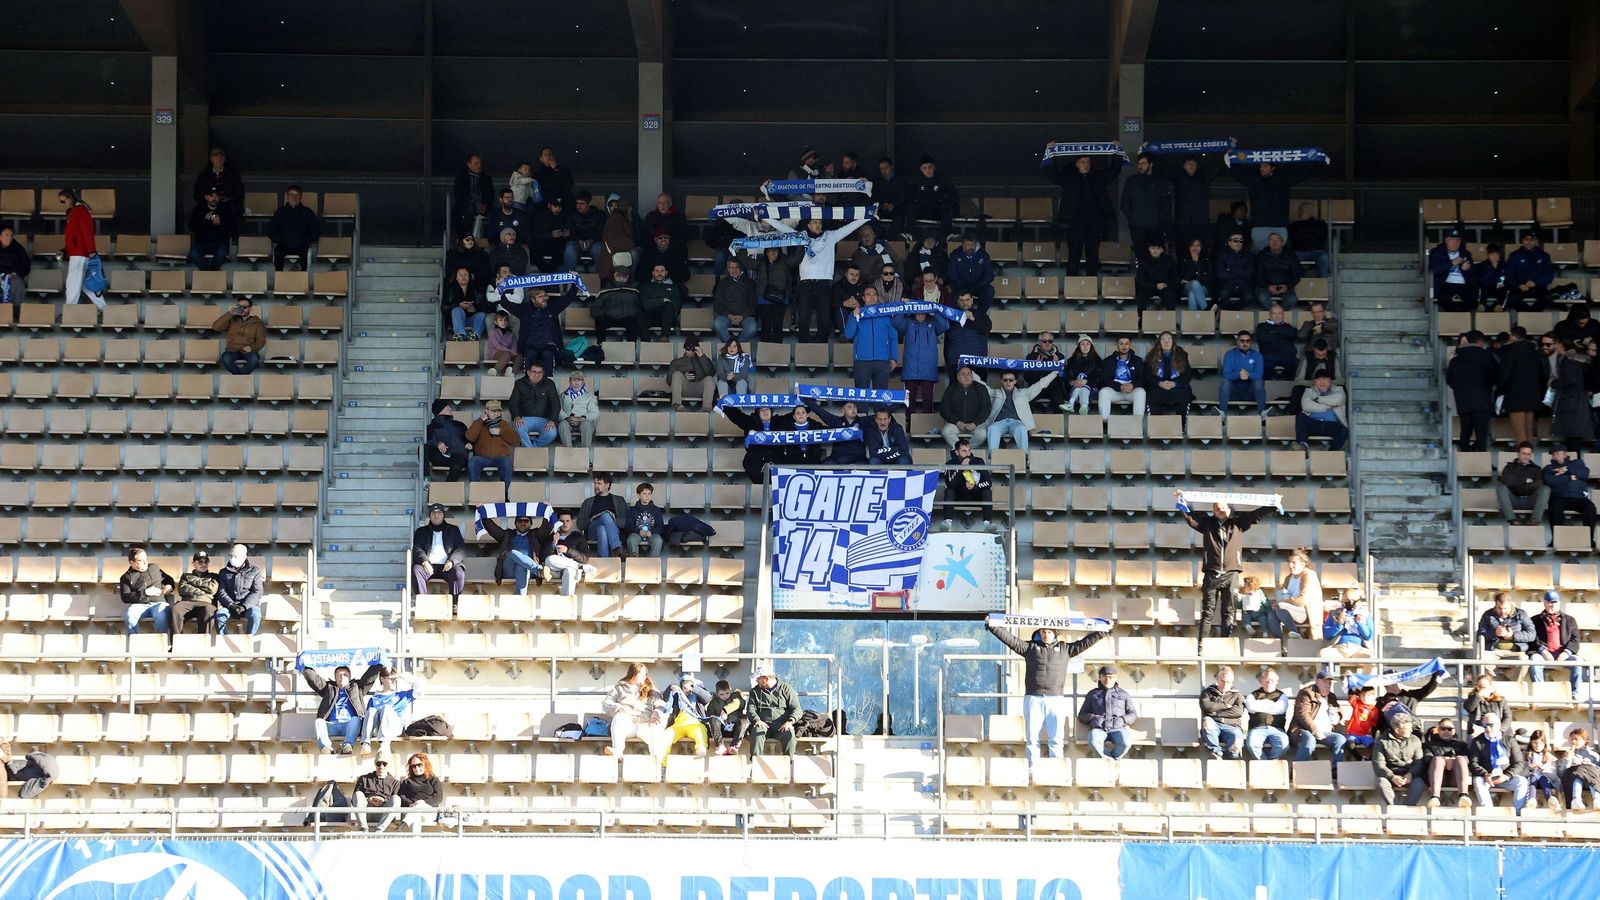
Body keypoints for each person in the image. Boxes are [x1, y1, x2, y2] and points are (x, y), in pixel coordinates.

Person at [985, 615, 1109, 762]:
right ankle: (1032, 770)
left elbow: (1086, 642)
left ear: (1054, 633)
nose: (1045, 635)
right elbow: (1010, 639)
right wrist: (992, 626)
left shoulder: (1066, 649)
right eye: (1043, 631)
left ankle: (1056, 769)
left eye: (1049, 632)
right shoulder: (1030, 648)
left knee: (1056, 739)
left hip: (1056, 699)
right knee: (1032, 739)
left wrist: (1104, 630)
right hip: (1033, 698)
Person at [1174, 491, 1277, 640]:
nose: (1220, 510)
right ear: (1212, 511)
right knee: (1207, 612)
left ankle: (1225, 645)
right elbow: (1190, 516)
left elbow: (1256, 515)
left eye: (1223, 507)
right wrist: (1181, 500)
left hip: (1231, 574)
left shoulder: (1238, 523)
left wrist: (1273, 504)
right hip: (1211, 573)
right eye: (1217, 508)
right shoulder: (1206, 524)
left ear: (1229, 510)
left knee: (1228, 612)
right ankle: (1201, 646)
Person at [768, 216, 871, 342]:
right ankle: (804, 345)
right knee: (804, 316)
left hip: (824, 283)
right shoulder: (801, 237)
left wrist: (867, 217)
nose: (818, 225)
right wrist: (765, 217)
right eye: (815, 222)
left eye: (820, 223)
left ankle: (822, 345)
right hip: (805, 283)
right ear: (808, 225)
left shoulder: (831, 236)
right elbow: (783, 228)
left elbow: (849, 228)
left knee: (824, 317)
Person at [1042, 151, 1120, 275]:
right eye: (1083, 162)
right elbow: (1052, 174)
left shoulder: (1097, 177)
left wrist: (1117, 153)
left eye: (1089, 162)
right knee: (1074, 253)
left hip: (1094, 222)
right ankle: (1072, 286)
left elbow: (1113, 172)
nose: (1086, 165)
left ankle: (1092, 284)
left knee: (1093, 254)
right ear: (1077, 164)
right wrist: (1049, 154)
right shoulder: (1069, 177)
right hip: (1075, 222)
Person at [1230, 159, 1319, 249]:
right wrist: (1232, 157)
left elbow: (1302, 173)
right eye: (1261, 166)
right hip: (1260, 225)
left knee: (1278, 256)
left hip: (1278, 225)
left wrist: (1314, 159)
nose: (1262, 169)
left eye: (1265, 166)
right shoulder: (1254, 178)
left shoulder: (1283, 178)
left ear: (1273, 168)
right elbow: (1238, 174)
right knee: (1261, 258)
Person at [298, 660, 377, 754]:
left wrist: (380, 662)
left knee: (356, 719)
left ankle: (348, 745)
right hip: (332, 725)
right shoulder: (329, 687)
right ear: (335, 677)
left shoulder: (357, 687)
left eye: (345, 675)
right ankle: (326, 748)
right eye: (339, 675)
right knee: (319, 721)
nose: (342, 677)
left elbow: (369, 677)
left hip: (350, 726)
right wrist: (302, 662)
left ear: (349, 677)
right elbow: (314, 679)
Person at [978, 367, 1059, 456]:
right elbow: (981, 385)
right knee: (992, 428)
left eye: (1011, 380)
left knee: (1022, 428)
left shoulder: (1024, 393)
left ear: (1015, 381)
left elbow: (1040, 384)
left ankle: (1024, 457)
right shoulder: (995, 393)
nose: (1008, 382)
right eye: (1005, 380)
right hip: (999, 422)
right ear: (1002, 381)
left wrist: (1055, 372)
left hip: (1016, 422)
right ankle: (993, 457)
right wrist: (969, 371)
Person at [843, 287, 903, 390]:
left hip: (882, 361)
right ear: (863, 298)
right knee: (861, 397)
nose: (872, 297)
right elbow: (849, 334)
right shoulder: (857, 313)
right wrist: (853, 317)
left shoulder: (885, 315)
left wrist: (894, 358)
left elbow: (893, 337)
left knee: (880, 398)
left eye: (874, 294)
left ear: (878, 297)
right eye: (868, 294)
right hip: (862, 361)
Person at [1447, 330, 1498, 451]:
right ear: (1480, 341)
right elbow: (1495, 376)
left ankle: (1464, 457)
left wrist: (1460, 390)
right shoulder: (1486, 356)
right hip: (1482, 401)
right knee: (1481, 433)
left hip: (1463, 401)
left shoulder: (1456, 359)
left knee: (1465, 431)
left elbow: (1450, 380)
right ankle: (1480, 459)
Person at [1471, 713, 1530, 814]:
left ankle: (1518, 813)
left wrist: (1507, 776)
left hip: (1505, 777)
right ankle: (1488, 814)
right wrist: (1484, 774)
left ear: (1499, 725)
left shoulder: (1509, 741)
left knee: (1522, 782)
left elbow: (1519, 763)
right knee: (1477, 781)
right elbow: (1473, 763)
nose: (1488, 729)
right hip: (1487, 778)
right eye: (1485, 725)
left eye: (1491, 725)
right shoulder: (1477, 741)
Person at [1121, 152, 1173, 263]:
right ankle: (1142, 280)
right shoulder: (1132, 181)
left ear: (1151, 165)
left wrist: (1159, 222)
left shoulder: (1160, 182)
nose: (1140, 166)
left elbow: (1166, 205)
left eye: (1144, 163)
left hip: (1156, 228)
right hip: (1137, 228)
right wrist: (1133, 219)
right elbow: (1124, 203)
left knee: (1158, 258)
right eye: (1139, 163)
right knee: (1141, 257)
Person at [1529, 590, 1584, 695]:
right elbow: (1532, 639)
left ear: (1559, 603)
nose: (1552, 605)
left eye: (1554, 602)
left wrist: (1566, 653)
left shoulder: (1570, 620)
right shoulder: (1535, 620)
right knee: (1534, 660)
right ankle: (1541, 694)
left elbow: (1575, 640)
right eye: (1549, 602)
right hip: (1543, 653)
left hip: (1563, 654)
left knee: (1578, 661)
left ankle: (1574, 694)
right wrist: (1543, 651)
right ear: (1544, 603)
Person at [1498, 327, 1546, 446]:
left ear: (1512, 336)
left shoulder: (1509, 352)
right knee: (1528, 427)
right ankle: (1530, 455)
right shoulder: (1536, 352)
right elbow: (1542, 374)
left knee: (1518, 429)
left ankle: (1523, 458)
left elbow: (1505, 375)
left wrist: (1499, 388)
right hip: (1532, 395)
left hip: (1515, 395)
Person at [411, 504, 466, 607]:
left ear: (443, 515)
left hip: (446, 566)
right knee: (416, 570)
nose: (436, 515)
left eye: (439, 513)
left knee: (458, 573)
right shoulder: (421, 531)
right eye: (433, 513)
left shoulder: (453, 530)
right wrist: (425, 561)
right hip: (428, 566)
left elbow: (461, 549)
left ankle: (454, 604)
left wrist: (451, 561)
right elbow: (417, 548)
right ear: (429, 516)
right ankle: (423, 604)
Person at [512, 286, 574, 377]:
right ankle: (527, 382)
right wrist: (500, 287)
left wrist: (575, 283)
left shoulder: (552, 307)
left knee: (548, 355)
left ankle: (548, 382)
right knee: (529, 355)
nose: (544, 298)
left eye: (544, 296)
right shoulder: (524, 309)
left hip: (549, 345)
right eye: (540, 297)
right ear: (533, 299)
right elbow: (506, 304)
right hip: (530, 345)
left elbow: (568, 298)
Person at [1078, 666, 1138, 759]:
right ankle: (1111, 762)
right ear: (1100, 677)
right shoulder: (1092, 694)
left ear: (1115, 678)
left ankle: (1110, 761)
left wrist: (1122, 720)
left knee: (1125, 743)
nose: (1107, 679)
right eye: (1104, 676)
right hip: (1099, 729)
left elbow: (1133, 714)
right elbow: (1082, 715)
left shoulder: (1123, 694)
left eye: (1111, 677)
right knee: (1093, 740)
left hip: (1118, 729)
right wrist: (1094, 718)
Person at [895, 310, 950, 412]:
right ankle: (909, 424)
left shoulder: (933, 322)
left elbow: (945, 325)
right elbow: (896, 323)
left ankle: (928, 426)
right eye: (917, 312)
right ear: (913, 312)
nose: (920, 315)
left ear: (927, 312)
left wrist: (936, 310)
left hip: (928, 368)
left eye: (923, 312)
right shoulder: (907, 322)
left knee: (928, 402)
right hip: (910, 368)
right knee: (909, 403)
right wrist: (903, 308)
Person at [1270, 547, 1322, 653]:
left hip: (1306, 612)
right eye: (1289, 562)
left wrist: (1283, 601)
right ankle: (1279, 645)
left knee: (1281, 606)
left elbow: (1303, 600)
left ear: (1303, 564)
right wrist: (1279, 601)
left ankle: (1295, 632)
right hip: (1289, 611)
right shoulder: (1288, 578)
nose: (1290, 565)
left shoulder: (1310, 575)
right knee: (1271, 613)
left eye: (1294, 562)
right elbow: (1281, 596)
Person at [59, 189, 105, 309]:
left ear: (70, 198)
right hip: (80, 252)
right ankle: (104, 309)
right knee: (88, 285)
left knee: (73, 283)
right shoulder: (78, 211)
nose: (63, 204)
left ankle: (70, 311)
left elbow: (87, 232)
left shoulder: (79, 210)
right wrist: (65, 251)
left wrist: (91, 251)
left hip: (79, 253)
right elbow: (77, 236)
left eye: (63, 201)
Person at [360, 666, 419, 759]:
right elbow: (369, 719)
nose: (393, 681)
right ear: (382, 679)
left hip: (395, 729)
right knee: (371, 710)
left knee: (386, 708)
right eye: (390, 678)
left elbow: (421, 688)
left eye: (395, 679)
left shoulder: (402, 696)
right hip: (377, 730)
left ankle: (384, 744)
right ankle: (365, 744)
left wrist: (401, 675)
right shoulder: (374, 699)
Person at [745, 664, 802, 758]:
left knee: (789, 731)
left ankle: (789, 762)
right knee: (757, 730)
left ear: (765, 679)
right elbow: (750, 708)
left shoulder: (786, 689)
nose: (756, 681)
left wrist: (790, 722)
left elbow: (797, 709)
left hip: (781, 726)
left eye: (758, 679)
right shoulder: (755, 691)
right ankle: (755, 761)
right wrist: (757, 720)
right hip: (764, 725)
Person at [1290, 668, 1345, 762]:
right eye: (1324, 682)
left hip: (1326, 733)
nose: (1327, 685)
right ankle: (1297, 769)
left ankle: (1336, 772)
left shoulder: (1331, 697)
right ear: (1317, 682)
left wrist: (1337, 716)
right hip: (1304, 731)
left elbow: (1338, 712)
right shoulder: (1307, 693)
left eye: (1329, 683)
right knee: (1309, 739)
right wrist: (1315, 731)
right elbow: (1302, 714)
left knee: (1340, 739)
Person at [745, 245, 798, 342]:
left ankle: (777, 353)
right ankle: (765, 352)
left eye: (774, 251)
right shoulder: (761, 261)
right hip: (763, 298)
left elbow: (797, 258)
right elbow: (746, 262)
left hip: (780, 298)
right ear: (766, 252)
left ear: (779, 251)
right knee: (765, 327)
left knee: (778, 326)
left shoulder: (785, 261)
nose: (771, 253)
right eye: (769, 251)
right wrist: (741, 247)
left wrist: (801, 243)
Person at [1551, 339, 1595, 453]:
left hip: (1570, 401)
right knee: (1575, 439)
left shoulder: (1569, 362)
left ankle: (1573, 464)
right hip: (1580, 401)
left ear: (1561, 345)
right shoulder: (1585, 362)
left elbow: (1569, 380)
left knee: (1572, 438)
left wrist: (1553, 383)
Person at [1543, 446, 1596, 542]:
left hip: (1579, 497)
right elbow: (1550, 481)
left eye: (1558, 453)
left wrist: (1566, 470)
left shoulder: (1577, 463)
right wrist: (1569, 477)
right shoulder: (1549, 468)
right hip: (1560, 497)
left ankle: (1590, 539)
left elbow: (1585, 473)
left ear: (1565, 454)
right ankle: (1556, 539)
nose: (1556, 456)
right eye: (1554, 454)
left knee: (1591, 507)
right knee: (1554, 506)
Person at [1374, 713, 1427, 806]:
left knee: (1419, 784)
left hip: (1409, 773)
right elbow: (1378, 763)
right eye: (1408, 728)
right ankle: (1394, 808)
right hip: (1390, 773)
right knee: (1381, 783)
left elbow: (1419, 762)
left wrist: (1411, 774)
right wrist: (1392, 776)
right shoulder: (1381, 740)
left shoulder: (1415, 740)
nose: (1411, 730)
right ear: (1397, 729)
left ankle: (1407, 808)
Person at [119, 547, 174, 635]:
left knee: (161, 616)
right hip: (139, 605)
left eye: (146, 559)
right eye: (141, 560)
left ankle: (162, 642)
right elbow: (125, 597)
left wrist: (169, 586)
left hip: (158, 603)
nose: (145, 562)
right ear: (132, 562)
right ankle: (134, 643)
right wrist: (144, 593)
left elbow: (169, 580)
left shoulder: (154, 568)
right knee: (130, 616)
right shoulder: (126, 577)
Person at [212, 544, 265, 636]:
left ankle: (248, 638)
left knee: (256, 614)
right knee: (219, 615)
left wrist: (244, 606)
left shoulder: (255, 571)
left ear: (244, 557)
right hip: (230, 606)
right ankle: (224, 640)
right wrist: (231, 605)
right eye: (231, 556)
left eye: (236, 556)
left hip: (248, 606)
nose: (233, 558)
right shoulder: (223, 572)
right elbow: (221, 591)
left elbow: (257, 591)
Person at [1476, 590, 1534, 672]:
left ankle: (1511, 682)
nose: (1502, 611)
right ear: (1495, 605)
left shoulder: (1521, 614)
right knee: (1484, 661)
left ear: (1511, 605)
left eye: (1505, 608)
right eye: (1499, 608)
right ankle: (1493, 682)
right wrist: (1494, 633)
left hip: (1515, 651)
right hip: (1493, 651)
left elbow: (1532, 634)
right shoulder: (1488, 615)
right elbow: (1480, 635)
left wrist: (1513, 636)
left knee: (1524, 662)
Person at [463, 399, 516, 489]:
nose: (496, 413)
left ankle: (504, 494)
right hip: (481, 457)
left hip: (500, 457)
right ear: (486, 411)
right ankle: (475, 494)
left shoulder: (504, 424)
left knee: (507, 463)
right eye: (493, 411)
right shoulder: (479, 423)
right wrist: (480, 420)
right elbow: (469, 437)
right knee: (473, 462)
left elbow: (516, 441)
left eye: (498, 411)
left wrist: (501, 432)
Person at [660, 674, 713, 763]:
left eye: (689, 687)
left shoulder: (697, 695)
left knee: (700, 732)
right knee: (666, 736)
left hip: (695, 724)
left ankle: (701, 749)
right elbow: (665, 698)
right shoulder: (677, 694)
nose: (687, 690)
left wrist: (694, 688)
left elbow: (708, 697)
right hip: (678, 725)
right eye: (684, 687)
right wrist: (670, 687)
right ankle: (663, 764)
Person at [508, 362, 561, 450]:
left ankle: (532, 448)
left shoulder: (549, 383)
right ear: (528, 372)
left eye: (539, 372)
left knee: (552, 433)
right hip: (524, 419)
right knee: (518, 429)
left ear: (543, 373)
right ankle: (532, 451)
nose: (537, 374)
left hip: (544, 420)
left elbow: (555, 404)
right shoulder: (519, 383)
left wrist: (552, 420)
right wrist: (516, 417)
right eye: (534, 372)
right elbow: (513, 402)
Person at [267, 185, 320, 271]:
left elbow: (315, 231)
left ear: (301, 197)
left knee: (305, 254)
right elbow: (271, 230)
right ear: (287, 196)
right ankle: (279, 278)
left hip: (302, 245)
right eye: (291, 195)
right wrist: (281, 240)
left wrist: (305, 241)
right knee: (277, 253)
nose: (294, 197)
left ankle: (304, 278)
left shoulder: (307, 212)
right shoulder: (280, 212)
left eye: (297, 195)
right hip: (283, 244)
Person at [939, 365, 992, 448]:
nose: (966, 376)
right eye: (963, 374)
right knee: (946, 431)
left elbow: (986, 408)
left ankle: (967, 451)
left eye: (968, 374)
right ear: (957, 377)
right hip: (957, 423)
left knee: (982, 434)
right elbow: (943, 409)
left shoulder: (981, 388)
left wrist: (975, 423)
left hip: (975, 424)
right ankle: (960, 450)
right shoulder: (951, 389)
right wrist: (957, 422)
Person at [1199, 667, 1246, 760]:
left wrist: (1215, 713)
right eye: (1222, 681)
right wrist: (1225, 705)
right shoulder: (1207, 692)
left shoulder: (1237, 694)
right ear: (1217, 679)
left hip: (1232, 726)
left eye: (1228, 682)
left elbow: (1238, 712)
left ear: (1232, 682)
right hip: (1213, 724)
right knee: (1207, 722)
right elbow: (1206, 706)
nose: (1225, 684)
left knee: (1236, 744)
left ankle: (1231, 756)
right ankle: (1216, 753)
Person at [1245, 667, 1291, 760]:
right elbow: (1251, 707)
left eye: (1272, 680)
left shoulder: (1282, 695)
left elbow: (1280, 709)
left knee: (1284, 745)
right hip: (1257, 728)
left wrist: (1260, 705)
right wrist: (1271, 705)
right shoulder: (1253, 695)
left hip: (1277, 729)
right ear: (1261, 681)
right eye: (1266, 679)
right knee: (1251, 745)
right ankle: (1267, 765)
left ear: (1277, 681)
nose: (1269, 682)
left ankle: (1266, 764)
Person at [1497, 441, 1549, 524]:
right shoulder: (1509, 467)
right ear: (1518, 454)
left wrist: (1517, 483)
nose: (1526, 456)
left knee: (1545, 489)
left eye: (1529, 454)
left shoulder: (1537, 469)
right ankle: (1512, 520)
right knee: (1501, 488)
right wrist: (1526, 481)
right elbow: (1507, 482)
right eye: (1524, 453)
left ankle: (1535, 520)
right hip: (1513, 500)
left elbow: (1538, 484)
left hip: (1531, 500)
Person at [1295, 371, 1348, 452]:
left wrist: (1316, 399)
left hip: (1331, 424)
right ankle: (1303, 447)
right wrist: (1327, 407)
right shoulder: (1309, 391)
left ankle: (1331, 454)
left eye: (1325, 379)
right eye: (1319, 380)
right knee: (1300, 417)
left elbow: (1338, 400)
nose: (1322, 382)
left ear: (1330, 380)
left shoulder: (1338, 389)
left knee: (1343, 430)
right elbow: (1306, 406)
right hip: (1313, 423)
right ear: (1314, 382)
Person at [212, 297, 266, 375]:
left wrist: (252, 348)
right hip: (232, 350)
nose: (241, 309)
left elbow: (261, 341)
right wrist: (230, 313)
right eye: (239, 306)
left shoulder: (257, 323)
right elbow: (216, 327)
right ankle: (240, 376)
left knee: (254, 358)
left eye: (244, 307)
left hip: (248, 351)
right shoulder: (231, 319)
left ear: (250, 309)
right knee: (226, 358)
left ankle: (240, 377)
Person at [577, 473, 627, 559]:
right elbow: (580, 524)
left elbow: (626, 522)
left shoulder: (619, 500)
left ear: (607, 485)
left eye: (599, 483)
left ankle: (603, 560)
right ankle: (617, 548)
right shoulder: (588, 502)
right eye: (595, 483)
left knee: (602, 528)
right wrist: (592, 519)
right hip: (592, 531)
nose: (596, 486)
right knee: (606, 515)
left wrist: (614, 519)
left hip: (614, 530)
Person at [1097, 335, 1147, 420]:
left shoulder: (1138, 360)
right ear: (1117, 345)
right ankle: (1105, 423)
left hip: (1131, 391)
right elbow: (1105, 380)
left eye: (1126, 343)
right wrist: (1119, 386)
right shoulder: (1108, 361)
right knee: (1103, 392)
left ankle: (1137, 422)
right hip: (1115, 391)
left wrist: (1132, 385)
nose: (1124, 346)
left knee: (1141, 392)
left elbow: (1142, 379)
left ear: (1130, 345)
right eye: (1121, 344)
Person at [192, 147, 245, 227]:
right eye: (216, 155)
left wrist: (225, 198)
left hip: (228, 209)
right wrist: (210, 200)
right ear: (211, 159)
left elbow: (239, 193)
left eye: (221, 156)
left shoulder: (233, 175)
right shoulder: (204, 176)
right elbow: (198, 194)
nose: (219, 158)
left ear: (225, 159)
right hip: (208, 208)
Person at [171, 550, 219, 637]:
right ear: (193, 563)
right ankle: (176, 643)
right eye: (200, 562)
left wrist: (193, 581)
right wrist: (203, 591)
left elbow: (212, 589)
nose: (203, 564)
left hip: (205, 603)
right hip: (187, 602)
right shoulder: (185, 576)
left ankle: (204, 643)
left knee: (209, 611)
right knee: (176, 609)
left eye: (206, 561)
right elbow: (182, 589)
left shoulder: (213, 576)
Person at [1144, 332, 1192, 417]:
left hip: (1177, 387)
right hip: (1158, 388)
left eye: (1169, 339)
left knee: (1184, 394)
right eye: (1163, 340)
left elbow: (1187, 375)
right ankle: (1155, 428)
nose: (1166, 342)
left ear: (1173, 342)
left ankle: (1182, 427)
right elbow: (1148, 376)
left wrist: (1174, 383)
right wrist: (1160, 383)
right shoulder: (1152, 356)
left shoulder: (1181, 355)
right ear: (1159, 343)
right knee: (1152, 394)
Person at [942, 292, 991, 375]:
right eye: (961, 300)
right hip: (955, 361)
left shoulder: (980, 314)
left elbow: (986, 329)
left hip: (977, 362)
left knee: (980, 387)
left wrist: (973, 318)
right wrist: (949, 361)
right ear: (957, 301)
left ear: (972, 300)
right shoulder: (951, 316)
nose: (964, 303)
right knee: (955, 387)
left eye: (967, 300)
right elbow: (947, 341)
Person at [711, 257, 758, 344]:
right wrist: (729, 316)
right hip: (727, 316)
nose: (734, 270)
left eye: (736, 267)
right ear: (728, 269)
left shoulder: (750, 283)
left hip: (745, 316)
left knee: (752, 327)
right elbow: (717, 304)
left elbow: (753, 304)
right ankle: (731, 347)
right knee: (717, 324)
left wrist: (742, 316)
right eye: (732, 268)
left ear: (741, 268)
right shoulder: (722, 283)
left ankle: (735, 347)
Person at [1429, 228, 1477, 311]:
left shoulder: (1465, 253)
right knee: (1444, 299)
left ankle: (1460, 315)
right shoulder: (1437, 252)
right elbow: (1434, 270)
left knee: (1473, 299)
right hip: (1445, 284)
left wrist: (1468, 268)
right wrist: (1451, 263)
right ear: (1446, 240)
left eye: (1458, 240)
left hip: (1463, 284)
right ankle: (1453, 315)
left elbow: (1474, 272)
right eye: (1452, 240)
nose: (1455, 242)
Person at [1221, 330, 1267, 417]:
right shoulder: (1229, 354)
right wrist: (1239, 374)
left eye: (1247, 341)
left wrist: (1248, 374)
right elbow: (1226, 374)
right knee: (1226, 382)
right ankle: (1222, 414)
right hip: (1234, 392)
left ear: (1251, 342)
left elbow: (1259, 374)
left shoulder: (1257, 355)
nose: (1245, 343)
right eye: (1242, 341)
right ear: (1237, 342)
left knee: (1258, 382)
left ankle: (1262, 413)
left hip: (1250, 392)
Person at [1504, 231, 1554, 311]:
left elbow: (1549, 275)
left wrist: (1536, 283)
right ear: (1522, 241)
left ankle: (1533, 313)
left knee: (1548, 298)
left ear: (1536, 241)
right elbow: (1508, 275)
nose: (1529, 242)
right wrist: (1518, 285)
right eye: (1526, 239)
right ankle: (1525, 315)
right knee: (1512, 299)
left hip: (1538, 287)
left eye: (1532, 239)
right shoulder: (1514, 256)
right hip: (1519, 288)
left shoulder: (1544, 256)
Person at [395, 752, 444, 833]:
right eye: (413, 766)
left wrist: (423, 802)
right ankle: (415, 843)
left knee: (419, 805)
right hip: (410, 810)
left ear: (425, 764)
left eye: (419, 765)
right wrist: (412, 804)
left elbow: (438, 797)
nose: (416, 768)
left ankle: (403, 825)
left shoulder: (433, 780)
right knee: (415, 817)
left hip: (429, 812)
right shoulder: (407, 782)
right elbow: (401, 796)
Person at [187, 188, 235, 270]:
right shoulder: (199, 209)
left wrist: (220, 223)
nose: (214, 198)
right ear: (206, 197)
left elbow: (232, 228)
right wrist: (204, 219)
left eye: (216, 196)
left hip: (219, 242)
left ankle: (211, 271)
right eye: (211, 196)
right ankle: (209, 272)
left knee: (221, 254)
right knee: (194, 254)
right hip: (201, 243)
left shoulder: (225, 209)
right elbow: (192, 227)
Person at [946, 234, 995, 311]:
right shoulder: (955, 255)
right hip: (960, 286)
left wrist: (977, 286)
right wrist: (962, 287)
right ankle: (957, 317)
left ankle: (980, 315)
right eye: (968, 244)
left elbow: (990, 276)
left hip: (977, 286)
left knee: (989, 290)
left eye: (973, 244)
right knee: (951, 291)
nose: (970, 247)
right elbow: (951, 274)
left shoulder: (983, 255)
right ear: (963, 244)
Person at [425, 399, 470, 483]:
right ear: (441, 409)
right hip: (440, 456)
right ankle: (426, 480)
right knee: (422, 448)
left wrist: (469, 445)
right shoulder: (431, 427)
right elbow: (428, 441)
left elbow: (469, 438)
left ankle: (448, 487)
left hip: (457, 455)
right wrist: (438, 444)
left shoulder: (459, 424)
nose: (451, 408)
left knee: (459, 459)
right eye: (448, 406)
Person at [1024, 333, 1070, 412]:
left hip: (1054, 388)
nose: (1048, 343)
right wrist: (1035, 367)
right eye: (1045, 341)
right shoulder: (1031, 357)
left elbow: (1063, 378)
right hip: (1037, 386)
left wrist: (1057, 367)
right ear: (1039, 342)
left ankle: (1058, 422)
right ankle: (1031, 423)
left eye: (1050, 341)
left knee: (1059, 401)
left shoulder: (1060, 356)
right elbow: (1027, 379)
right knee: (1026, 400)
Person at [1254, 233, 1300, 310]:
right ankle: (1274, 315)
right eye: (1271, 239)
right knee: (1262, 298)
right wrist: (1268, 286)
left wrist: (1287, 286)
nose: (1274, 242)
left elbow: (1297, 275)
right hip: (1267, 286)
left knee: (1292, 299)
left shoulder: (1291, 255)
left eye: (1277, 239)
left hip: (1285, 286)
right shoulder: (1262, 255)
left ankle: (1279, 314)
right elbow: (1258, 275)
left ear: (1283, 242)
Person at [563, 190, 607, 272]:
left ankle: (600, 280)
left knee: (599, 250)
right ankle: (569, 280)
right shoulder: (572, 214)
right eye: (577, 203)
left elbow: (601, 231)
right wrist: (579, 240)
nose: (579, 206)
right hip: (576, 243)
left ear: (589, 204)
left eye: (582, 204)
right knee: (569, 249)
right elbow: (569, 231)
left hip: (593, 243)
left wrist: (591, 241)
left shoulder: (598, 214)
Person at [1321, 593, 1374, 659]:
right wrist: (1339, 623)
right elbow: (1327, 635)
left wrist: (1360, 623)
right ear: (1342, 601)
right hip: (1338, 648)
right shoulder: (1333, 614)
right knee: (1323, 654)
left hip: (1358, 649)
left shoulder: (1365, 615)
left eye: (1353, 600)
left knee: (1370, 658)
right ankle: (1326, 670)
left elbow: (1369, 636)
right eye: (1347, 600)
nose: (1350, 603)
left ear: (1359, 602)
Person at [669, 335, 715, 411]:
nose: (690, 352)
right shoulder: (676, 362)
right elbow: (669, 380)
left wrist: (701, 356)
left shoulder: (704, 359)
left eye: (692, 349)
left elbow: (711, 373)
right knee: (676, 374)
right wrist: (683, 376)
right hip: (684, 388)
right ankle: (677, 404)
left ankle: (706, 407)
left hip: (700, 388)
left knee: (709, 379)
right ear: (684, 349)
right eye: (688, 349)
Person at [352, 759, 399, 833]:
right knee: (358, 794)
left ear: (388, 765)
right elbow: (354, 799)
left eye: (384, 764)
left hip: (384, 814)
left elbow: (396, 803)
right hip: (366, 813)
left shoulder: (395, 783)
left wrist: (384, 800)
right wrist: (368, 799)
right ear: (375, 764)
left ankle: (380, 830)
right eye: (378, 764)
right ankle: (363, 828)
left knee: (396, 799)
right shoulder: (363, 779)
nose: (381, 767)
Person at [444, 266, 487, 341]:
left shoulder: (476, 290)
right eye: (460, 275)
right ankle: (460, 335)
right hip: (456, 320)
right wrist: (459, 305)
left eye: (465, 274)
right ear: (456, 278)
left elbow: (485, 307)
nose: (463, 277)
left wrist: (474, 309)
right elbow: (444, 308)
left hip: (471, 319)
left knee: (482, 315)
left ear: (469, 277)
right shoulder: (450, 290)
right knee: (457, 310)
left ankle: (474, 336)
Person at [944, 438, 993, 504]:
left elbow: (988, 482)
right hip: (959, 496)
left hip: (976, 495)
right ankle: (948, 515)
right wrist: (961, 468)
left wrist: (975, 486)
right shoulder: (950, 463)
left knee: (987, 492)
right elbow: (950, 485)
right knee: (949, 492)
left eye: (969, 450)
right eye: (964, 451)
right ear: (957, 452)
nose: (968, 454)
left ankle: (988, 515)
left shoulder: (978, 461)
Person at [623, 483, 667, 557]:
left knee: (658, 540)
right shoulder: (632, 510)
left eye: (649, 493)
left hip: (651, 534)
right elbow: (629, 526)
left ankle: (653, 564)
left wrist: (651, 532)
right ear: (638, 495)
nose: (647, 496)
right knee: (631, 539)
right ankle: (634, 563)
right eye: (644, 493)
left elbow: (660, 527)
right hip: (637, 533)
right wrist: (639, 531)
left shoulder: (656, 510)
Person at [1287, 202, 1330, 277]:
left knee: (1324, 258)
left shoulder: (1320, 223)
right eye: (1306, 209)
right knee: (1292, 259)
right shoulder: (1295, 224)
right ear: (1300, 211)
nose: (1309, 211)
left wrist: (1306, 227)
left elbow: (1322, 236)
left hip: (1317, 251)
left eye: (1311, 209)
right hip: (1300, 251)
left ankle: (1324, 279)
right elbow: (1294, 237)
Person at [1213, 231, 1255, 309]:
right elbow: (1221, 274)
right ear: (1229, 242)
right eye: (1235, 240)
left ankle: (1234, 310)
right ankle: (1230, 312)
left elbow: (1248, 274)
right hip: (1227, 283)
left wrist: (1230, 269)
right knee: (1223, 294)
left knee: (1249, 296)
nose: (1238, 243)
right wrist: (1240, 271)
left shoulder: (1249, 255)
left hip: (1243, 284)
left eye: (1241, 241)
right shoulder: (1222, 254)